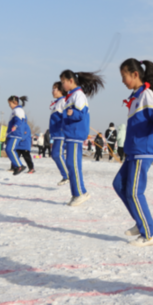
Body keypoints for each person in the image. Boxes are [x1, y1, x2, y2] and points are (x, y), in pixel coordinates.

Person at [113, 58, 153, 247]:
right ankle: (141, 223)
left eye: (124, 76)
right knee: (119, 184)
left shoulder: (146, 95)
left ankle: (150, 233)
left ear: (135, 74)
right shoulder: (135, 97)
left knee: (134, 192)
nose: (122, 80)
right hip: (133, 151)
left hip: (143, 150)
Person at [60, 69, 104, 206]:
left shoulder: (78, 95)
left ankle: (80, 193)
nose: (62, 85)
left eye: (63, 82)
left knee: (73, 165)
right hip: (70, 134)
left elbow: (81, 114)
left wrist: (71, 112)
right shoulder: (71, 96)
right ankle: (76, 193)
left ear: (71, 81)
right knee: (70, 164)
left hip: (75, 134)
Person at [6, 96, 34, 175]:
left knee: (10, 150)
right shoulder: (16, 110)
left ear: (15, 102)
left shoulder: (18, 110)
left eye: (10, 103)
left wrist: (15, 126)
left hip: (16, 133)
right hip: (13, 134)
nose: (9, 105)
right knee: (9, 150)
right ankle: (17, 166)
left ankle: (19, 166)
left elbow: (19, 120)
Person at [49, 82, 69, 186]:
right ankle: (66, 175)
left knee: (57, 154)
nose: (53, 91)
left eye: (55, 89)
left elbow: (66, 117)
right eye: (52, 89)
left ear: (61, 90)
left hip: (61, 133)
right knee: (55, 154)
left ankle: (67, 175)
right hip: (56, 134)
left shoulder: (63, 101)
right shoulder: (57, 102)